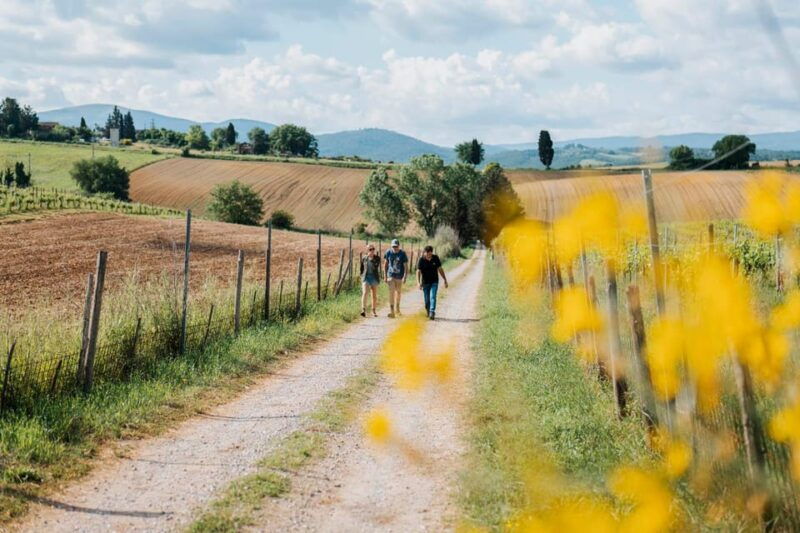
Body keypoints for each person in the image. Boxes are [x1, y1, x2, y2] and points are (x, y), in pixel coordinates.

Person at [417, 245, 448, 320]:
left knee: (433, 296)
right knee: (427, 300)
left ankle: (432, 311)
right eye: (427, 253)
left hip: (434, 281)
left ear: (432, 253)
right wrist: (418, 282)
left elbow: (440, 269)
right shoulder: (421, 260)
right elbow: (418, 271)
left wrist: (445, 279)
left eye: (430, 253)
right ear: (424, 253)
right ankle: (428, 311)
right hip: (425, 282)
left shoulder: (435, 258)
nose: (429, 255)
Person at [383, 238, 408, 318]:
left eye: (396, 246)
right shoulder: (388, 252)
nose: (395, 248)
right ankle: (392, 311)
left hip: (399, 276)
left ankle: (397, 308)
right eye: (393, 246)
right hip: (391, 275)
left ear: (398, 246)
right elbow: (385, 264)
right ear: (391, 246)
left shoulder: (402, 254)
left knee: (398, 293)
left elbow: (406, 266)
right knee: (391, 293)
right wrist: (385, 276)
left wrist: (405, 276)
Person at [360, 244, 381, 317]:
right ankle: (363, 310)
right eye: (370, 249)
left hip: (374, 277)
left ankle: (373, 310)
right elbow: (362, 268)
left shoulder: (377, 258)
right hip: (366, 277)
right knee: (365, 292)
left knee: (374, 295)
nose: (372, 251)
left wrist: (372, 259)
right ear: (367, 251)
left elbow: (376, 266)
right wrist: (362, 276)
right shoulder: (364, 258)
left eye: (373, 249)